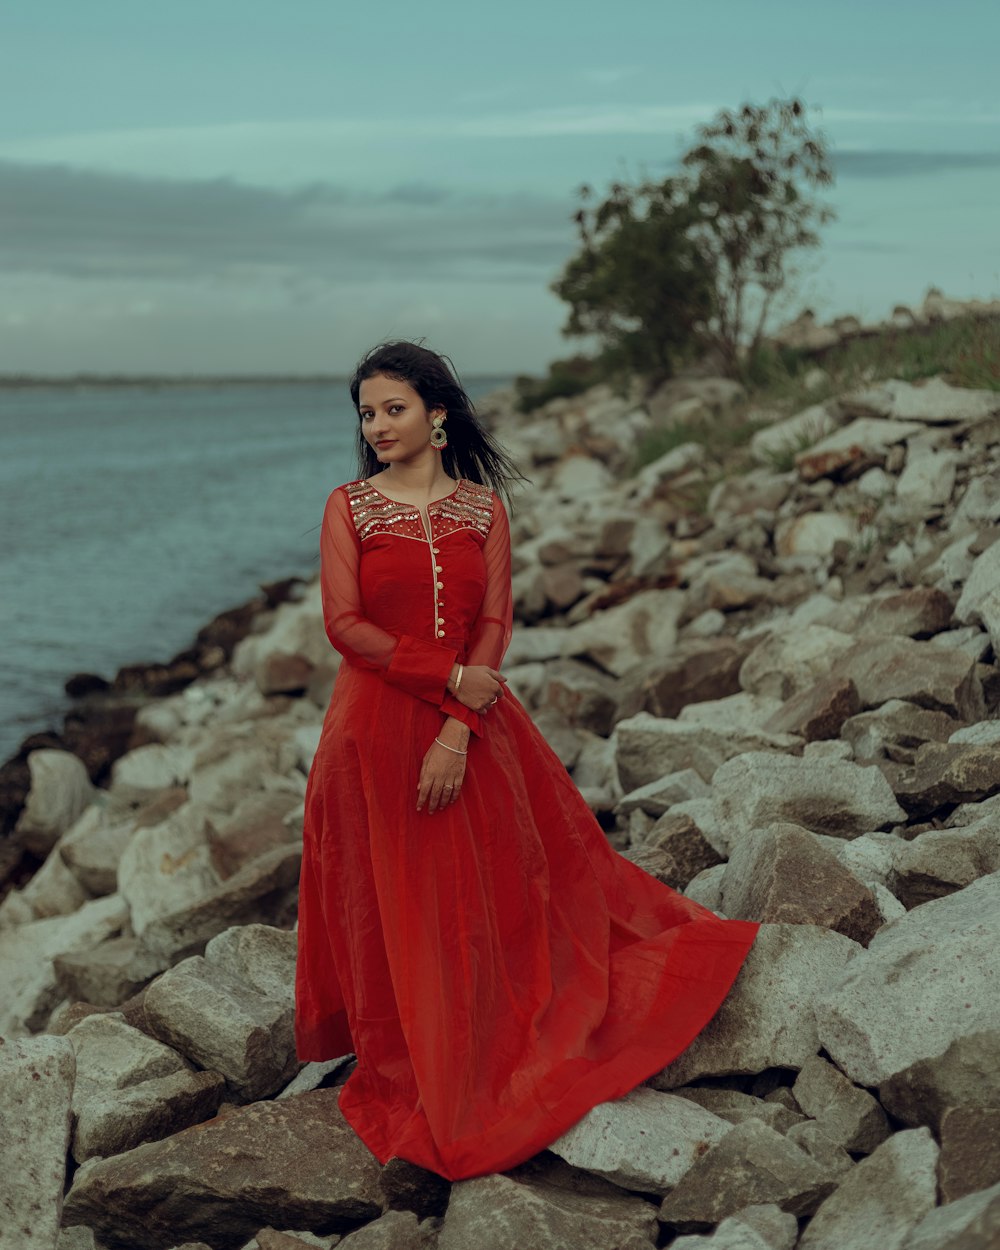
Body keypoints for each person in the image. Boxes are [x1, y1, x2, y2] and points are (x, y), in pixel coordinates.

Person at [293, 340, 760, 1182]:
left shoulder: (484, 510)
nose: (377, 425)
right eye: (366, 413)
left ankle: (487, 1032)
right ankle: (415, 1052)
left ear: (437, 414)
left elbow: (495, 625)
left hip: (469, 726)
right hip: (369, 733)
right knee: (394, 900)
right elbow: (345, 626)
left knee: (496, 895)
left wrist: (456, 724)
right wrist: (452, 680)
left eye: (392, 407)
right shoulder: (350, 508)